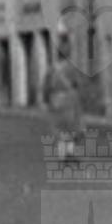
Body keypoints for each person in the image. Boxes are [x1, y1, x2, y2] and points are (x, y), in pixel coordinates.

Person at [42, 36, 89, 166]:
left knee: (60, 128)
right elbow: (78, 84)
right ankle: (69, 153)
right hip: (70, 100)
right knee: (72, 127)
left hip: (56, 99)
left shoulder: (52, 69)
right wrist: (82, 99)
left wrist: (46, 101)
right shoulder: (71, 68)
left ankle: (63, 155)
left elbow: (46, 86)